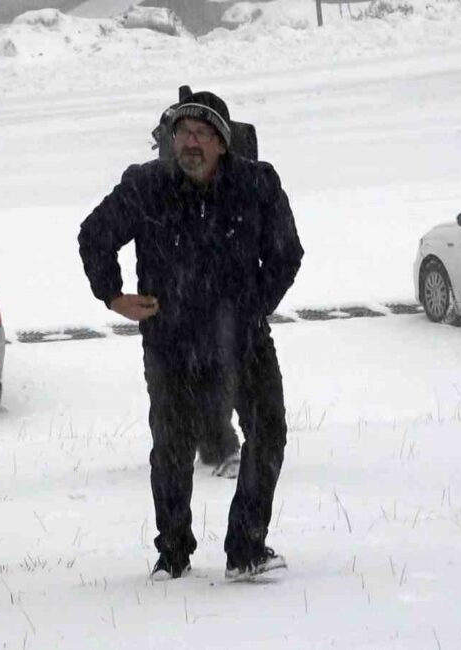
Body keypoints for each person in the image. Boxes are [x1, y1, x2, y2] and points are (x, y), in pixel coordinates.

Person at [78, 91, 304, 581]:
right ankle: (173, 554)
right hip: (171, 340)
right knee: (172, 448)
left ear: (223, 143)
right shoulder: (146, 186)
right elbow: (94, 234)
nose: (191, 143)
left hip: (242, 340)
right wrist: (113, 295)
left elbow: (287, 253)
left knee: (268, 432)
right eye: (183, 133)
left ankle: (246, 548)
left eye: (203, 134)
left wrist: (251, 308)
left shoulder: (256, 184)